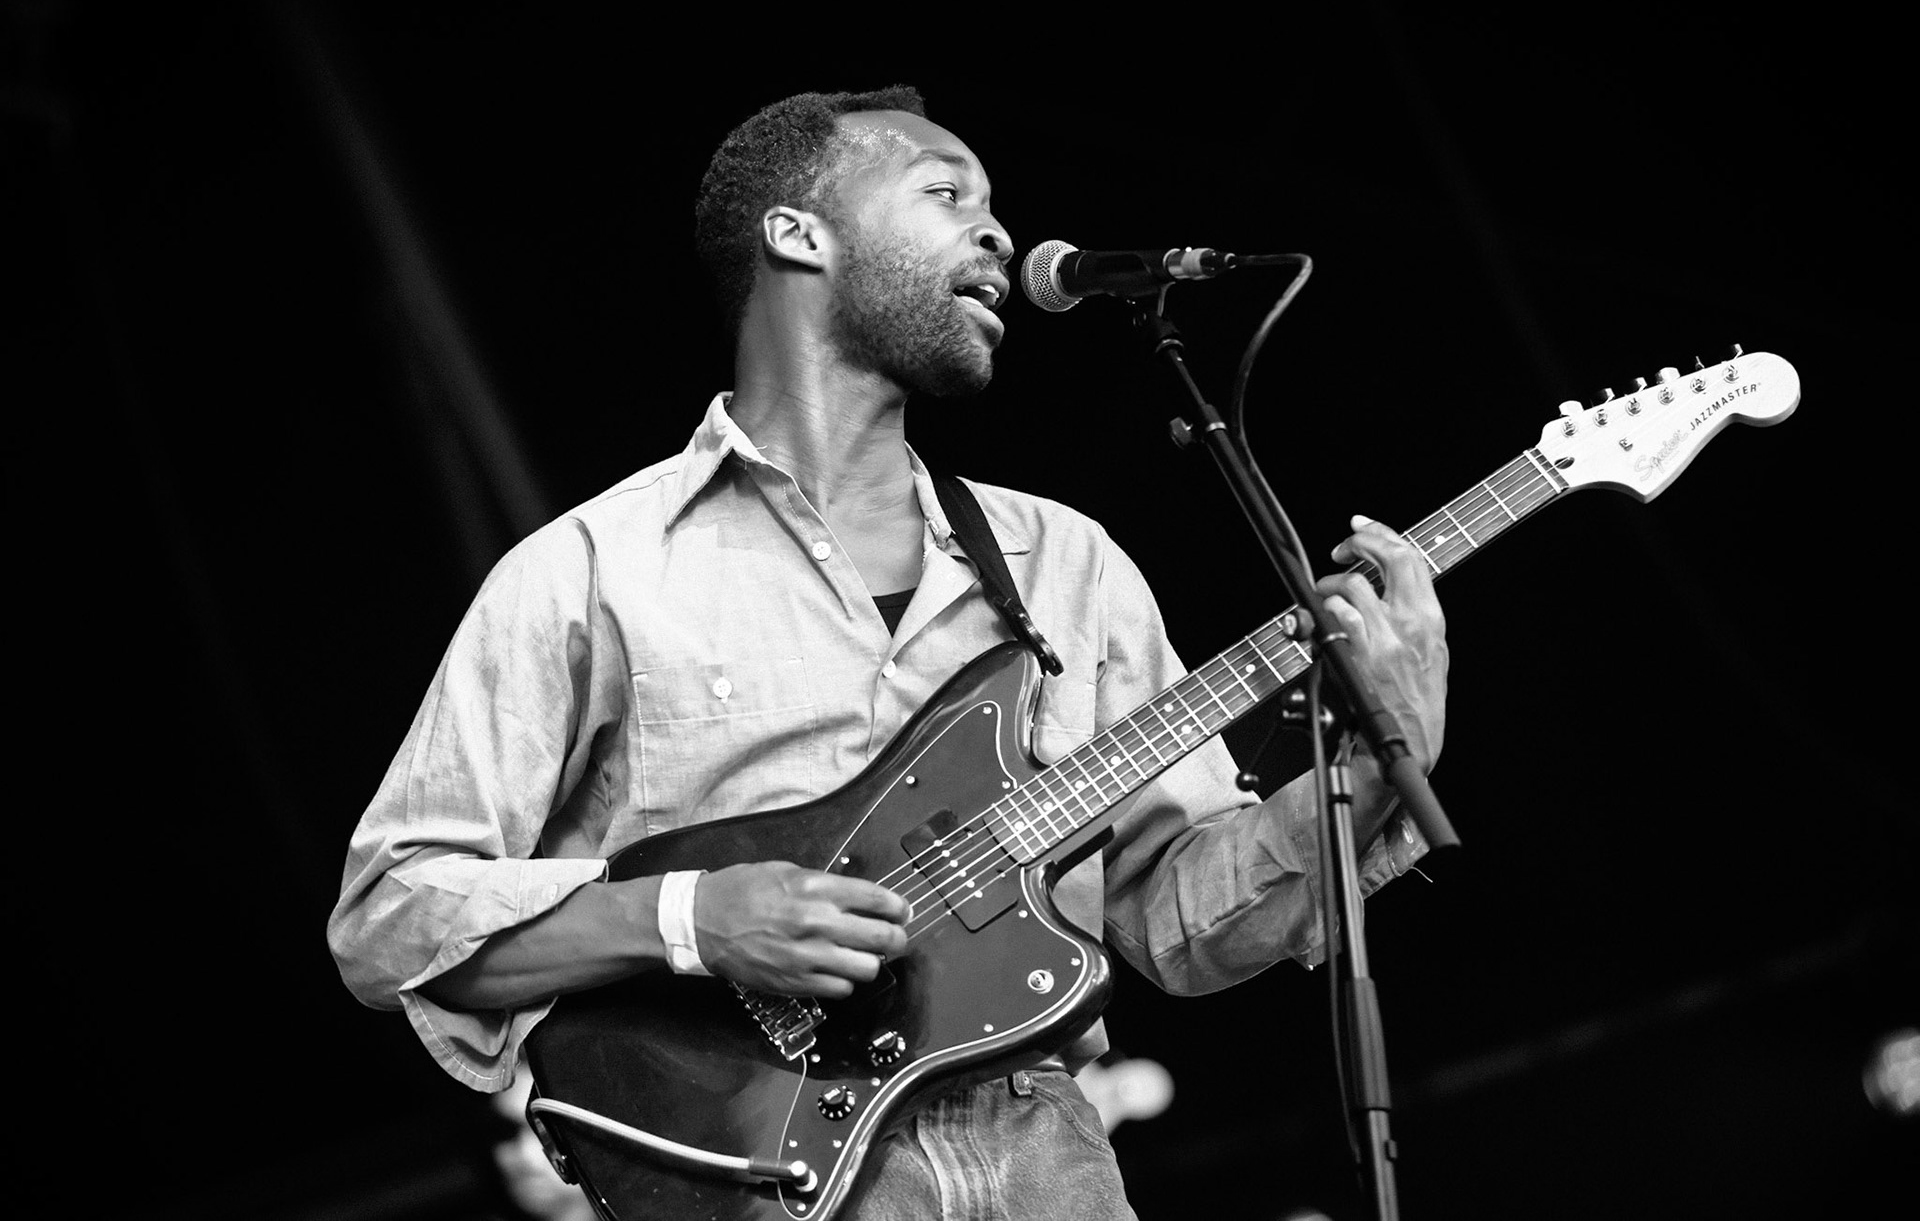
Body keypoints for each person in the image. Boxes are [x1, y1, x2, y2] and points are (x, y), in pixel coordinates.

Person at [327, 85, 1448, 1220]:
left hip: (1046, 1149)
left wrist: (1368, 763)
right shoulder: (593, 569)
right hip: (754, 1172)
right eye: (945, 192)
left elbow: (1177, 923)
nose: (1001, 232)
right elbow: (393, 913)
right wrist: (692, 918)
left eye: (996, 204)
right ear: (796, 232)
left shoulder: (1062, 559)